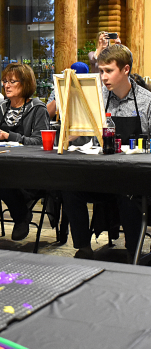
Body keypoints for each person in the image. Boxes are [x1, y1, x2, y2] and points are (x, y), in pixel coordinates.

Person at [62, 44, 151, 261]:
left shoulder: (147, 101)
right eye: (101, 71)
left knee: (128, 194)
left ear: (126, 70)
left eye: (109, 71)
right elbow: (85, 135)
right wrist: (74, 132)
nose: (103, 77)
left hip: (136, 179)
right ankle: (83, 247)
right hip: (102, 174)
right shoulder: (98, 98)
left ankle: (133, 252)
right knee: (70, 189)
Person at [0, 63, 50, 247]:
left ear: (25, 84)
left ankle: (21, 214)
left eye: (12, 81)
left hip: (29, 170)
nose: (7, 85)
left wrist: (11, 136)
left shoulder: (38, 109)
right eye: (5, 81)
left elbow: (41, 142)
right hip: (2, 165)